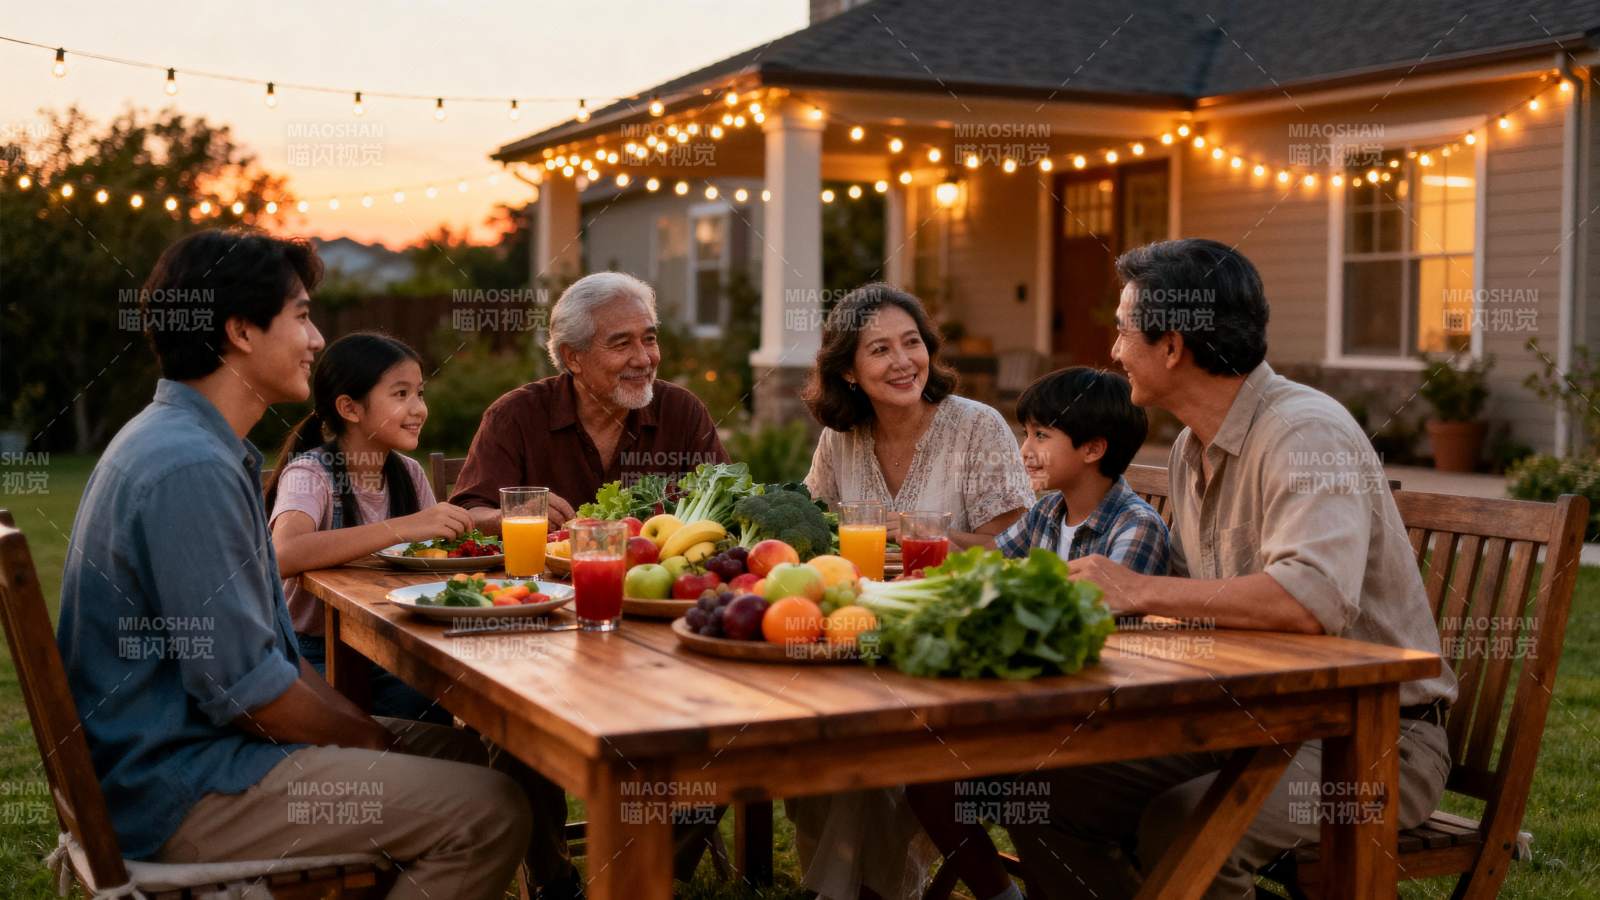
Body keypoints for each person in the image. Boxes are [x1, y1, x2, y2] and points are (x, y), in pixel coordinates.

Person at [55, 228, 545, 900]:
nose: (318, 341)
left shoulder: (191, 444)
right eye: (304, 316)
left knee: (467, 754)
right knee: (489, 811)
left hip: (189, 753)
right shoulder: (188, 466)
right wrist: (366, 740)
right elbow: (250, 694)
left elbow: (269, 666)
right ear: (241, 332)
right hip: (182, 789)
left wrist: (365, 734)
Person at [1012, 238, 1458, 899]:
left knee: (1183, 824)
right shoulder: (1194, 449)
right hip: (1251, 722)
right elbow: (1206, 605)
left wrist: (1136, 590)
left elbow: (1309, 600)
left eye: (1122, 331)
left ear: (1171, 347)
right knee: (1039, 785)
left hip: (1369, 740)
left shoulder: (1306, 434)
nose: (1112, 351)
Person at [792, 283, 1036, 900]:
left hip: (955, 642)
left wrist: (926, 532)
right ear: (848, 370)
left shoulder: (976, 427)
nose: (903, 362)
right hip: (862, 635)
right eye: (880, 350)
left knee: (869, 735)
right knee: (813, 724)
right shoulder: (840, 439)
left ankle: (851, 891)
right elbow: (814, 534)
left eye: (912, 343)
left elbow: (1017, 553)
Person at [905, 366, 1170, 900]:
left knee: (1029, 794)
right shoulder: (1049, 511)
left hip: (1095, 727)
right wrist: (936, 547)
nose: (1024, 448)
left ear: (1093, 449)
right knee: (928, 781)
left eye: (1041, 435)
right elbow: (994, 563)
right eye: (1026, 432)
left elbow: (1095, 623)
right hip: (1036, 711)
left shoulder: (1134, 527)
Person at [265, 331, 467, 723]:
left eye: (420, 393)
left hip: (393, 644)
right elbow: (284, 554)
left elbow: (433, 561)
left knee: (453, 701)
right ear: (350, 408)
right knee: (421, 711)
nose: (419, 408)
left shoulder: (407, 472)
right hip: (312, 656)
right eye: (401, 394)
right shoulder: (311, 474)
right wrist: (401, 527)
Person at [449, 271, 728, 526]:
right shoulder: (514, 415)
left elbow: (726, 500)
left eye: (650, 339)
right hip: (542, 580)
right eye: (621, 344)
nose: (644, 359)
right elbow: (469, 512)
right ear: (573, 357)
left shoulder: (682, 411)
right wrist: (513, 515)